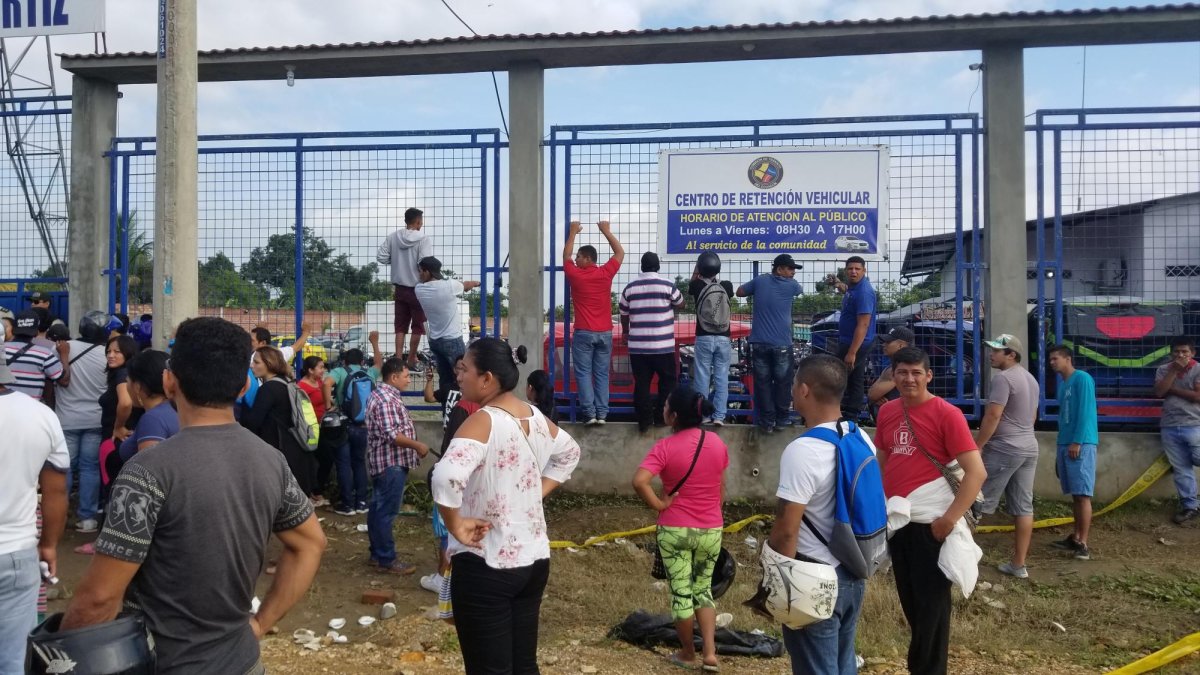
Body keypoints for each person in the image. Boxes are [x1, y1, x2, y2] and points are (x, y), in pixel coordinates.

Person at [60, 317, 326, 673]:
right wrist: (260, 623)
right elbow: (311, 543)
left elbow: (98, 600)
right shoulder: (271, 462)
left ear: (169, 382)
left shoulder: (146, 472)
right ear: (243, 384)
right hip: (243, 663)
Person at [432, 338, 581, 674]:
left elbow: (445, 477)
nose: (459, 376)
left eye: (464, 369)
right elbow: (570, 453)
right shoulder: (537, 417)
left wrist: (455, 525)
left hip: (488, 561)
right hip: (533, 560)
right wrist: (533, 494)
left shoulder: (483, 420)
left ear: (487, 379)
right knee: (523, 664)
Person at [874, 346, 985, 675]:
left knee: (932, 610)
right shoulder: (888, 412)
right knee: (912, 604)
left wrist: (947, 521)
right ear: (892, 376)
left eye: (916, 373)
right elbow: (883, 460)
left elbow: (976, 473)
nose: (909, 379)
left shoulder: (947, 414)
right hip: (898, 522)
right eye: (902, 372)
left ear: (929, 376)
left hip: (931, 526)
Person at [769, 355, 876, 675]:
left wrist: (780, 583)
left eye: (793, 386)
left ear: (803, 390)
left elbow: (788, 529)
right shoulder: (859, 436)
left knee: (816, 667)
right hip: (852, 572)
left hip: (811, 578)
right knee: (843, 663)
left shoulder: (803, 450)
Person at [632, 387, 728, 672]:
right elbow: (722, 486)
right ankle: (710, 653)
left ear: (673, 416)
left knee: (681, 592)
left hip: (674, 529)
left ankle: (688, 653)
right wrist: (715, 512)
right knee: (704, 589)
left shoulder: (664, 446)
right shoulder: (717, 443)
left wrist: (660, 505)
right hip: (711, 528)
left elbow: (640, 481)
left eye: (665, 406)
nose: (662, 409)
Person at [0, 362, 68, 672]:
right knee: (14, 661)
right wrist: (49, 544)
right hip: (16, 554)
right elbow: (55, 491)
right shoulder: (40, 415)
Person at [975, 334, 1040, 579]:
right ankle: (1018, 564)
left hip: (1004, 448)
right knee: (1023, 506)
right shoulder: (1031, 379)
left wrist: (979, 445)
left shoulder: (1003, 378)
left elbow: (993, 416)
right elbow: (1032, 417)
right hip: (1028, 446)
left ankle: (956, 560)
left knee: (974, 502)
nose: (991, 354)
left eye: (997, 351)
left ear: (1011, 355)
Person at [366, 357, 429, 575]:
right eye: (406, 376)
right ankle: (386, 559)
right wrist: (417, 445)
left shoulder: (385, 395)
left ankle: (377, 553)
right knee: (386, 512)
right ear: (393, 377)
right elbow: (392, 434)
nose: (408, 381)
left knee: (377, 509)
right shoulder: (385, 400)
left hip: (386, 462)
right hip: (390, 463)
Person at [563, 219, 625, 425]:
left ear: (588, 258)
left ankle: (588, 414)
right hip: (605, 332)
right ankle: (602, 414)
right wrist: (606, 231)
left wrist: (573, 232)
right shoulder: (605, 273)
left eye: (580, 257)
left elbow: (566, 256)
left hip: (583, 332)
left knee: (583, 372)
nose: (576, 259)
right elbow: (619, 253)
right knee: (601, 373)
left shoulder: (575, 275)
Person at [53, 312, 110, 535]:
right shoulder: (109, 355)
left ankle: (58, 513)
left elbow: (54, 378)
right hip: (96, 419)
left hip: (66, 419)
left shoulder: (62, 348)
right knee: (90, 468)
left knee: (64, 468)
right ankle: (87, 518)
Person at [737, 254, 803, 433]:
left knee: (763, 383)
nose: (793, 273)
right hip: (782, 343)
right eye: (790, 269)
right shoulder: (792, 286)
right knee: (783, 382)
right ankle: (781, 420)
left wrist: (759, 287)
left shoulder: (760, 281)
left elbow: (740, 292)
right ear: (779, 269)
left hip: (759, 343)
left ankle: (767, 422)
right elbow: (799, 290)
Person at [620, 251, 685, 433]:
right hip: (662, 346)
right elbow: (681, 303)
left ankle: (644, 422)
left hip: (638, 347)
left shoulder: (630, 288)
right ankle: (660, 418)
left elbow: (624, 314)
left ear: (641, 267)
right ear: (657, 267)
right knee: (667, 382)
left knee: (641, 383)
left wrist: (626, 332)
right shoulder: (667, 285)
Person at [242, 346, 318, 498]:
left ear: (269, 364)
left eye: (256, 362)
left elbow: (252, 422)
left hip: (279, 452)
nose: (252, 366)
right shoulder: (287, 383)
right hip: (296, 451)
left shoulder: (269, 389)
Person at [1047, 344, 1097, 559]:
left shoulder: (1082, 379)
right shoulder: (1064, 384)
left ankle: (1083, 543)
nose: (1052, 362)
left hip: (1081, 443)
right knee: (1075, 494)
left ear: (1068, 359)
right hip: (1066, 442)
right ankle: (1075, 537)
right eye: (1050, 359)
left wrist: (1077, 441)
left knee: (1083, 494)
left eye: (1056, 358)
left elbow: (1086, 412)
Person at [328, 338, 382, 516]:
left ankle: (347, 504)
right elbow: (379, 363)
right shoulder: (369, 373)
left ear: (344, 361)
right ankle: (362, 502)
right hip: (364, 425)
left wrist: (329, 403)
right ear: (361, 362)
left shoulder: (340, 371)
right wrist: (374, 342)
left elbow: (326, 383)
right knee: (359, 463)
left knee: (344, 464)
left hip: (345, 424)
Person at [377, 207, 434, 370]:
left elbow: (380, 256)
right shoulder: (424, 238)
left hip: (400, 288)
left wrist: (395, 261)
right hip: (417, 288)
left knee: (400, 326)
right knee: (418, 326)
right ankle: (411, 357)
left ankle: (397, 357)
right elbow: (425, 262)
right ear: (417, 222)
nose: (421, 225)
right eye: (421, 222)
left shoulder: (393, 236)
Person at [414, 255, 480, 389]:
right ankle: (463, 407)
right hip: (452, 340)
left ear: (427, 272)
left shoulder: (419, 290)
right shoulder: (450, 285)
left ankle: (447, 407)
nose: (419, 274)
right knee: (463, 376)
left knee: (445, 380)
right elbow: (466, 286)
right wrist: (476, 283)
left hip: (435, 341)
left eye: (421, 271)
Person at [1154, 336, 1200, 524]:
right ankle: (1190, 506)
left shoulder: (1198, 369)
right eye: (1177, 352)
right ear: (1171, 353)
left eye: (1185, 352)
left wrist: (1171, 389)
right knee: (1181, 469)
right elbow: (1159, 392)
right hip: (1170, 425)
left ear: (1192, 353)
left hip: (1194, 423)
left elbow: (1197, 396)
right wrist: (1173, 370)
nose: (1181, 355)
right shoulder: (1164, 369)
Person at [689, 251, 735, 427]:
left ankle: (704, 415)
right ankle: (719, 416)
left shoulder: (697, 285)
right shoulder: (727, 286)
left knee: (702, 376)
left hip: (704, 336)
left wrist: (697, 267)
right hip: (723, 337)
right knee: (722, 377)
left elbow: (692, 282)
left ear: (700, 268)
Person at [834, 256, 877, 419]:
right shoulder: (854, 287)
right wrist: (838, 284)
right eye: (850, 268)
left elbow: (863, 325)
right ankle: (852, 416)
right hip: (852, 341)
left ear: (864, 271)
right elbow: (848, 291)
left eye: (857, 269)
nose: (853, 271)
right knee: (856, 378)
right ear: (846, 270)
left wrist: (852, 352)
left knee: (836, 377)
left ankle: (834, 415)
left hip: (856, 343)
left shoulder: (864, 292)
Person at [4, 308, 70, 400]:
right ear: (36, 332)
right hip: (30, 411)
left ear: (13, 329)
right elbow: (64, 381)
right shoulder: (44, 354)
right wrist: (64, 355)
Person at [298, 356, 334, 508]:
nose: (323, 370)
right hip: (310, 430)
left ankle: (316, 490)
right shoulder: (302, 387)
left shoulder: (320, 382)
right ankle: (314, 492)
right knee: (321, 459)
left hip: (322, 427)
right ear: (310, 370)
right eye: (320, 367)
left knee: (326, 459)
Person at [99, 335, 138, 446]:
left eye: (117, 352)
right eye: (108, 351)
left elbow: (125, 403)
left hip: (118, 439)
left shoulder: (123, 373)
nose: (110, 355)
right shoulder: (124, 373)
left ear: (128, 353)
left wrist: (118, 427)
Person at [867, 326, 915, 411]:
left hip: (901, 417)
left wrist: (875, 397)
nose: (883, 344)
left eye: (888, 342)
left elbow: (872, 395)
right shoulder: (899, 365)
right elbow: (873, 395)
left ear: (900, 345)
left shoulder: (900, 368)